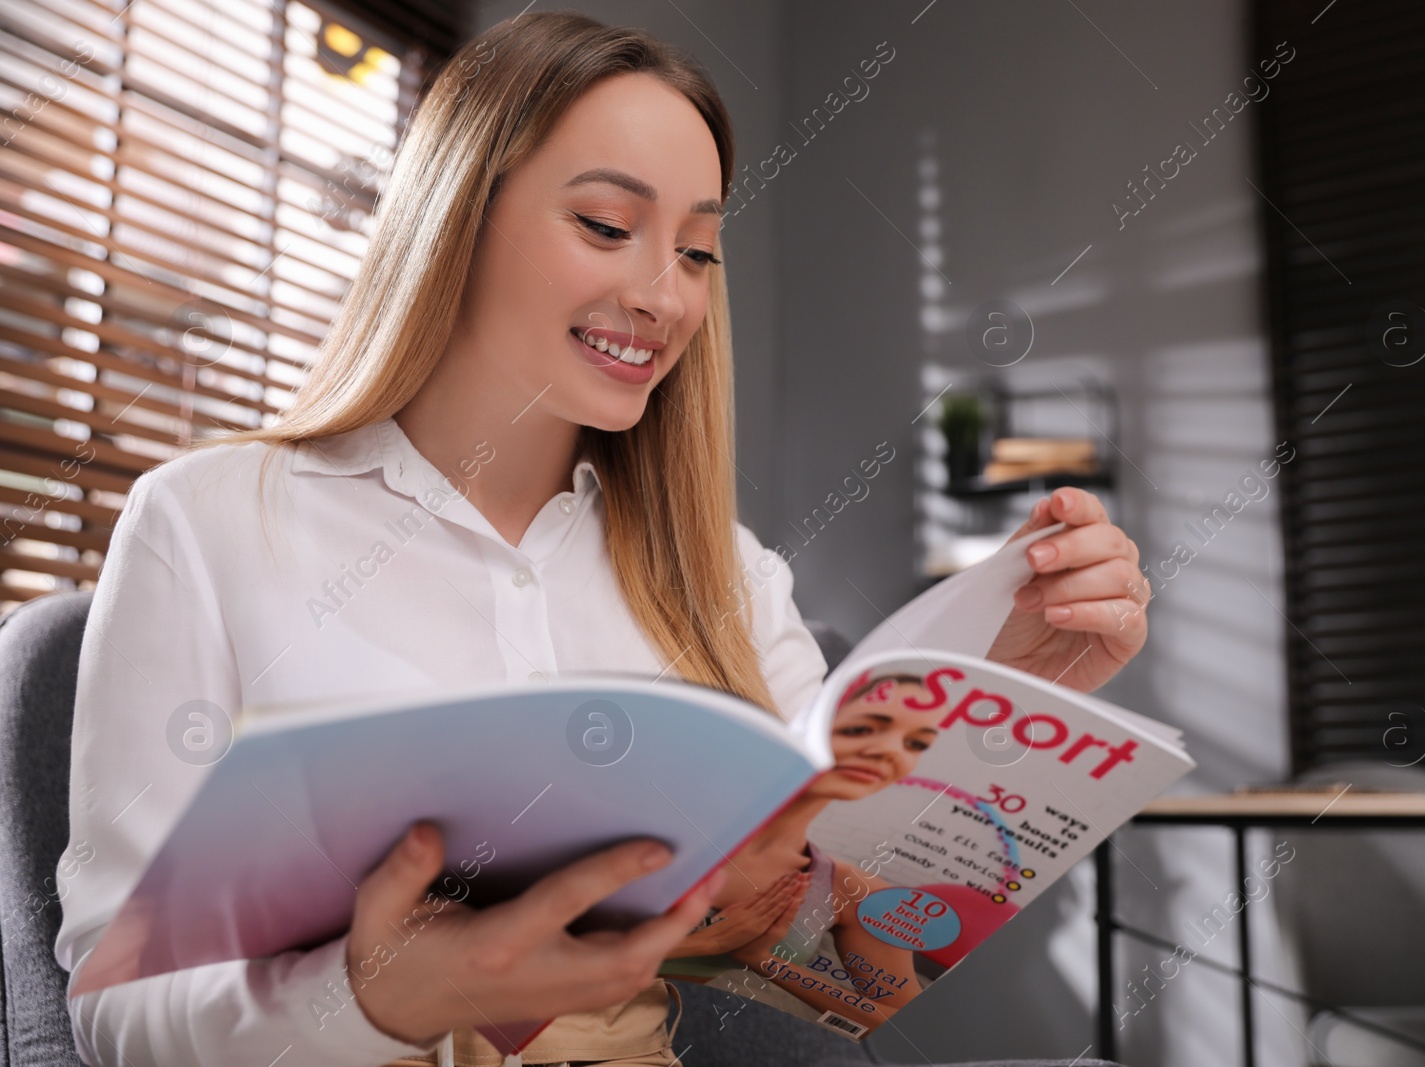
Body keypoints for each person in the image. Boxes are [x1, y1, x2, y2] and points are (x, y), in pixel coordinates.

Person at [52, 11, 1151, 1067]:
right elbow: (117, 1010)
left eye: (696, 252)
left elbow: (837, 973)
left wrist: (997, 707)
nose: (661, 294)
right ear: (455, 217)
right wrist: (369, 992)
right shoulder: (207, 520)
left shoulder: (727, 574)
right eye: (606, 227)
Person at [662, 674, 939, 1027]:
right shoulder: (666, 819)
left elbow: (906, 1028)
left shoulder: (853, 891)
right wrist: (709, 943)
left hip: (663, 1040)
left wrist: (767, 962)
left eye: (916, 743)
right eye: (861, 729)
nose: (891, 751)